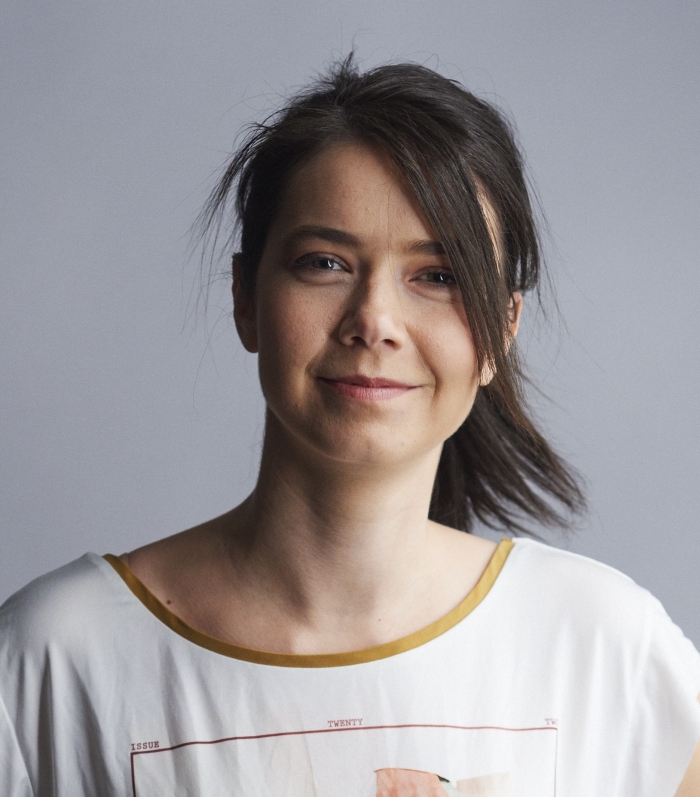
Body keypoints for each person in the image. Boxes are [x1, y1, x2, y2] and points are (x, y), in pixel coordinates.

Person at [1, 55, 699, 797]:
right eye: (325, 263)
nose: (375, 321)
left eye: (438, 276)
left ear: (504, 329)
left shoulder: (605, 650)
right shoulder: (54, 659)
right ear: (245, 298)